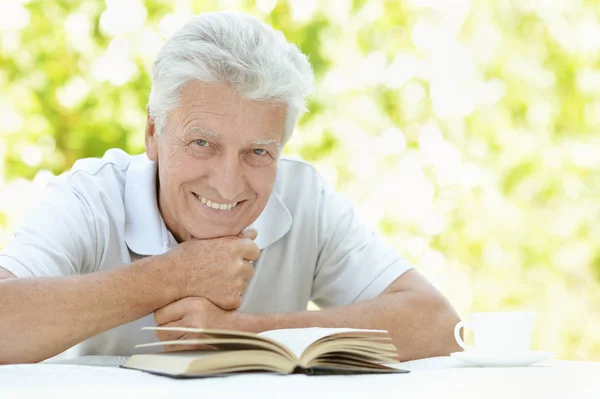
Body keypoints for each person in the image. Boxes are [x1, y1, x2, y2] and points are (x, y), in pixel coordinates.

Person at [0, 11, 460, 364]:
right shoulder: (88, 198)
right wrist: (175, 275)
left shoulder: (304, 197)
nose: (228, 181)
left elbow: (437, 325)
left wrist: (246, 332)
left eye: (258, 152)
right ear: (152, 134)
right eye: (202, 143)